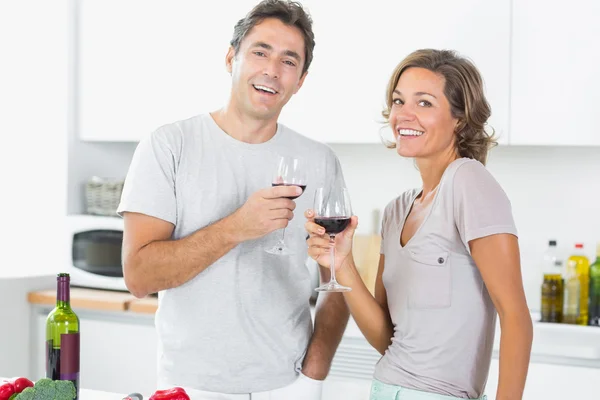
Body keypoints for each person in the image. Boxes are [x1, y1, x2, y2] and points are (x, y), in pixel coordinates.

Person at [117, 1, 350, 398]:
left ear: (301, 80)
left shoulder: (319, 160)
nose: (272, 71)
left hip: (288, 385)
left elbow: (338, 280)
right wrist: (237, 227)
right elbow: (139, 277)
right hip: (190, 385)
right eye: (260, 52)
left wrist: (312, 376)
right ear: (231, 58)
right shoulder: (169, 145)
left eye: (288, 61)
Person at [305, 49, 533, 400]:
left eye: (424, 103)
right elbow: (387, 338)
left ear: (459, 118)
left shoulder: (468, 181)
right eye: (398, 101)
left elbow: (516, 317)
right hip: (384, 389)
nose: (404, 114)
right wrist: (342, 263)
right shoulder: (397, 210)